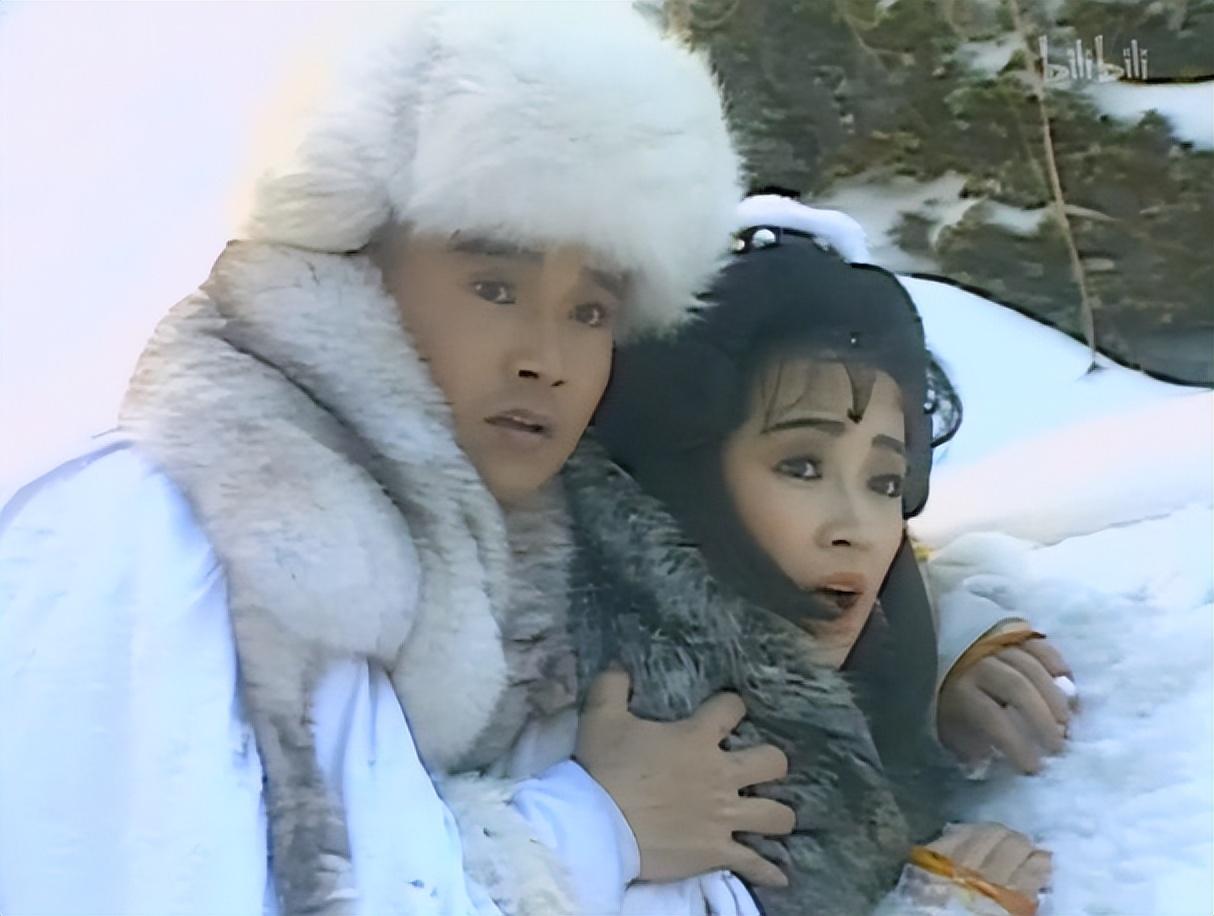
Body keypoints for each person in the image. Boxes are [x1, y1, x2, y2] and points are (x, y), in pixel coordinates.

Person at [0, 6, 793, 914]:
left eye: (590, 312)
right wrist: (591, 832)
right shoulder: (143, 532)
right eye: (494, 286)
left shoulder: (534, 613)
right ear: (353, 267)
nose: (548, 359)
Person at [558, 218, 1062, 913]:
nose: (856, 530)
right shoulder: (592, 715)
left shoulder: (864, 680)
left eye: (885, 482)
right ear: (681, 480)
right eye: (801, 466)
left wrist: (944, 641)